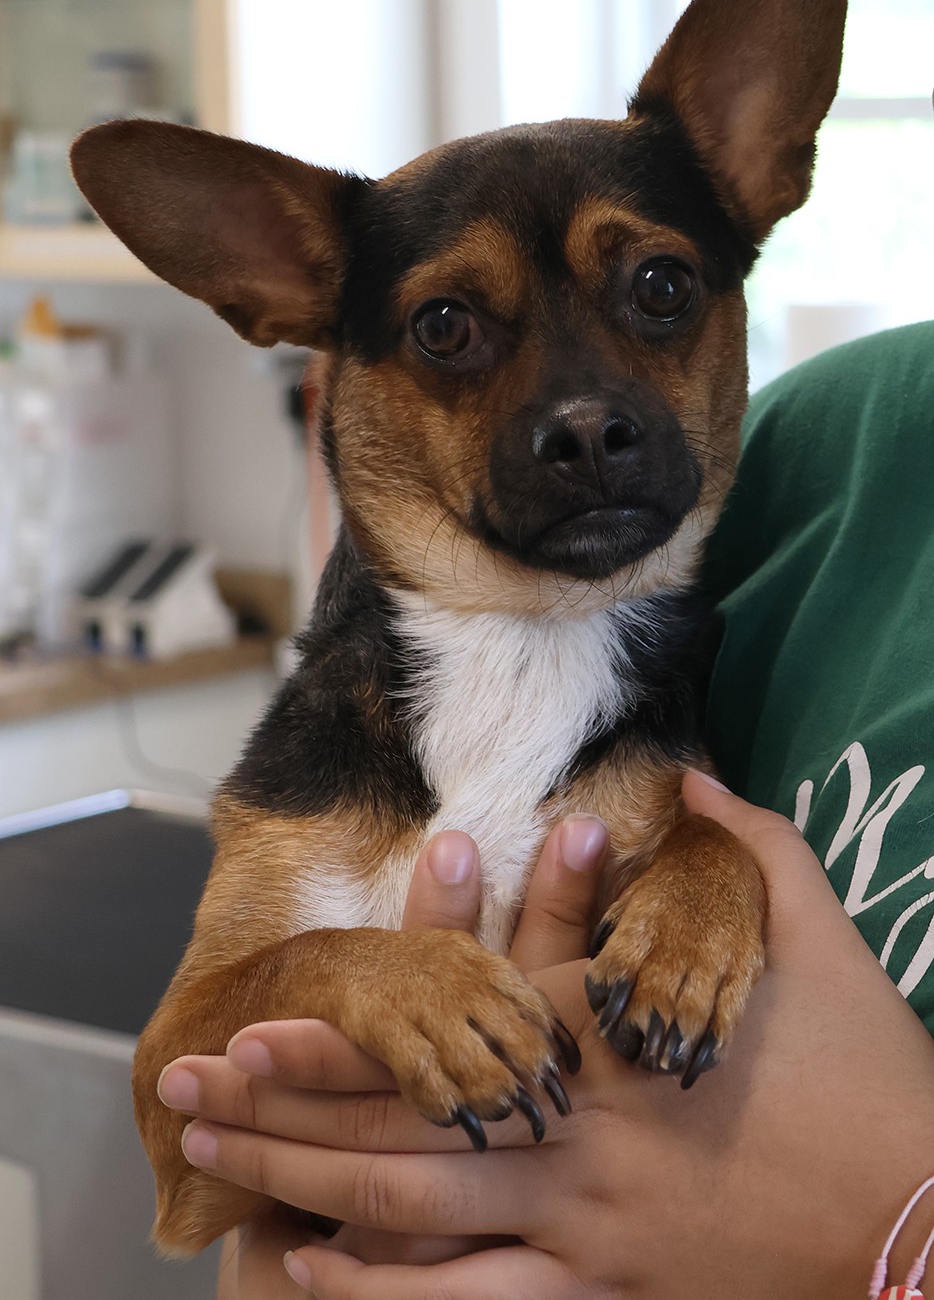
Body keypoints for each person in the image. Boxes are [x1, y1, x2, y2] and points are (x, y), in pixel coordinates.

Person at [158, 322, 934, 1298]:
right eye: (448, 330)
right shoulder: (825, 456)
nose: (586, 414)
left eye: (658, 293)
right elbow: (191, 1168)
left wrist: (900, 1236)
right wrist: (299, 1238)